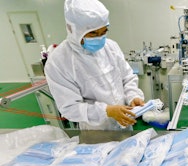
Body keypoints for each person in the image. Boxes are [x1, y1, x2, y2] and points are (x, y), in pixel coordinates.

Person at [45, 0, 145, 130]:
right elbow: (69, 108)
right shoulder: (58, 62)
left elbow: (127, 77)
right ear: (72, 29)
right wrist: (106, 111)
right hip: (95, 131)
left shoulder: (111, 47)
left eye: (104, 32)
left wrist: (133, 96)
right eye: (93, 33)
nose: (99, 38)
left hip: (124, 125)